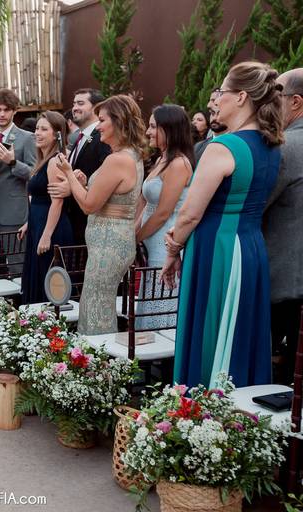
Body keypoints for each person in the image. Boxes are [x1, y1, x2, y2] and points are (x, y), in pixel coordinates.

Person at [163, 62, 284, 388]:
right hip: (251, 246)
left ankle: (203, 404)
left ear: (241, 96)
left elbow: (189, 214)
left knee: (211, 326)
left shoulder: (223, 147)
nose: (216, 100)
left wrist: (173, 249)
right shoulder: (272, 147)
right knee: (240, 329)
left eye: (222, 92)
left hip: (216, 249)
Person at [55, 95, 146, 335]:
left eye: (103, 120)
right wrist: (84, 183)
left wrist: (69, 174)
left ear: (119, 121)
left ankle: (98, 355)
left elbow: (88, 205)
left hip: (109, 244)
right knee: (97, 302)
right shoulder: (131, 155)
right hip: (111, 241)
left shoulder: (117, 160)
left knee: (96, 306)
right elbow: (105, 196)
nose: (98, 127)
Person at [134, 105, 194, 329]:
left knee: (161, 305)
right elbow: (148, 203)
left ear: (169, 129)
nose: (148, 132)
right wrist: (134, 232)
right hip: (151, 245)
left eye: (152, 126)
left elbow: (162, 213)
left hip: (165, 246)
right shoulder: (162, 159)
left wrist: (136, 237)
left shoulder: (178, 164)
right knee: (149, 300)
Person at [263, 67, 303, 384]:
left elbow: (255, 205)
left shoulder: (286, 146)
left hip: (284, 276)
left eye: (277, 96)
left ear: (296, 102)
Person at [18, 111, 74, 304]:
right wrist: (29, 223)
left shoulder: (55, 161)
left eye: (44, 129)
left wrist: (46, 235)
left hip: (51, 228)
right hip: (38, 224)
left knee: (48, 281)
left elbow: (57, 201)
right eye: (36, 129)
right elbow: (40, 198)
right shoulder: (43, 160)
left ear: (56, 134)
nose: (37, 133)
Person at [51, 89, 113, 244]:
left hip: (91, 223)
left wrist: (72, 187)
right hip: (75, 221)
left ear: (96, 107)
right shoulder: (79, 138)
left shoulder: (102, 138)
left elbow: (106, 178)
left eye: (80, 103)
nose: (74, 108)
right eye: (74, 104)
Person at [0, 89, 36, 249]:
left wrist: (12, 162)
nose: (2, 114)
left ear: (14, 111)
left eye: (6, 110)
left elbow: (34, 174)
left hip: (13, 212)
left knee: (16, 261)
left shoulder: (27, 138)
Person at [194, 91, 229, 162]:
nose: (214, 118)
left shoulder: (235, 144)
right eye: (212, 113)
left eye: (219, 113)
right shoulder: (198, 147)